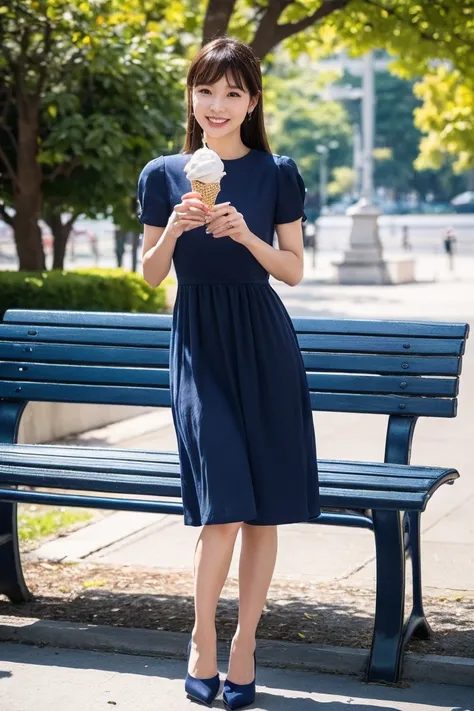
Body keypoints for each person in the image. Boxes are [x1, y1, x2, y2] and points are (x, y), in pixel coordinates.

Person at [137, 37, 320, 709]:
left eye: (233, 93)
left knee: (263, 507)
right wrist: (173, 233)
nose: (217, 105)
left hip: (265, 344)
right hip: (199, 345)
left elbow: (295, 269)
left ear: (253, 100)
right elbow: (152, 275)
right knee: (224, 505)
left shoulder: (278, 171)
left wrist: (248, 236)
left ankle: (244, 645)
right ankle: (202, 643)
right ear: (191, 96)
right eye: (206, 91)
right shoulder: (165, 173)